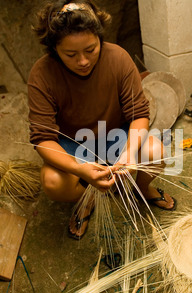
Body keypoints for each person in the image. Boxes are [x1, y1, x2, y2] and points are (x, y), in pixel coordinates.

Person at [28, 0, 176, 240]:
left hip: (115, 135)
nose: (83, 61)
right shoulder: (42, 74)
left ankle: (141, 189)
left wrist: (128, 154)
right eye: (71, 54)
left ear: (99, 38)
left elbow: (139, 114)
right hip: (73, 144)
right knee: (53, 182)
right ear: (54, 49)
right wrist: (80, 169)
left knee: (156, 152)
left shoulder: (118, 58)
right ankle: (87, 199)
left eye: (90, 49)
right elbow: (42, 139)